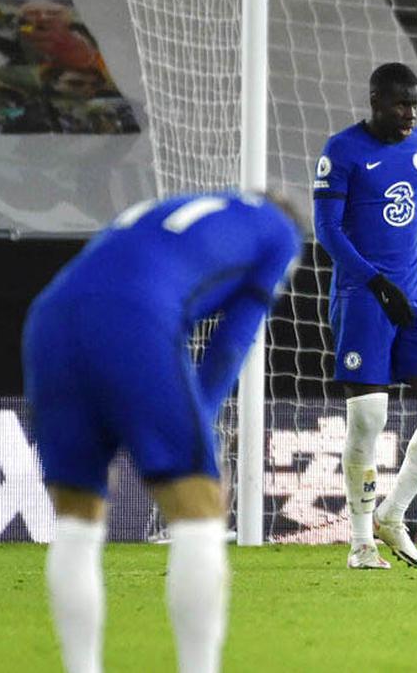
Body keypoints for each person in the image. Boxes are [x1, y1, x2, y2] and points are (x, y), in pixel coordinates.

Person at [22, 189, 301, 673]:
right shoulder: (281, 232)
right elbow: (234, 339)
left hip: (49, 318)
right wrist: (201, 425)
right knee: (199, 509)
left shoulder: (174, 207)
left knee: (76, 521)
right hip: (134, 321)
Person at [313, 62, 417, 569]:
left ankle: (393, 512)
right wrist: (375, 282)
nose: (409, 114)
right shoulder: (342, 151)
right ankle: (361, 541)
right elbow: (327, 230)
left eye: (415, 105)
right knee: (368, 418)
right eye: (401, 104)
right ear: (376, 102)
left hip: (416, 297)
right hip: (363, 297)